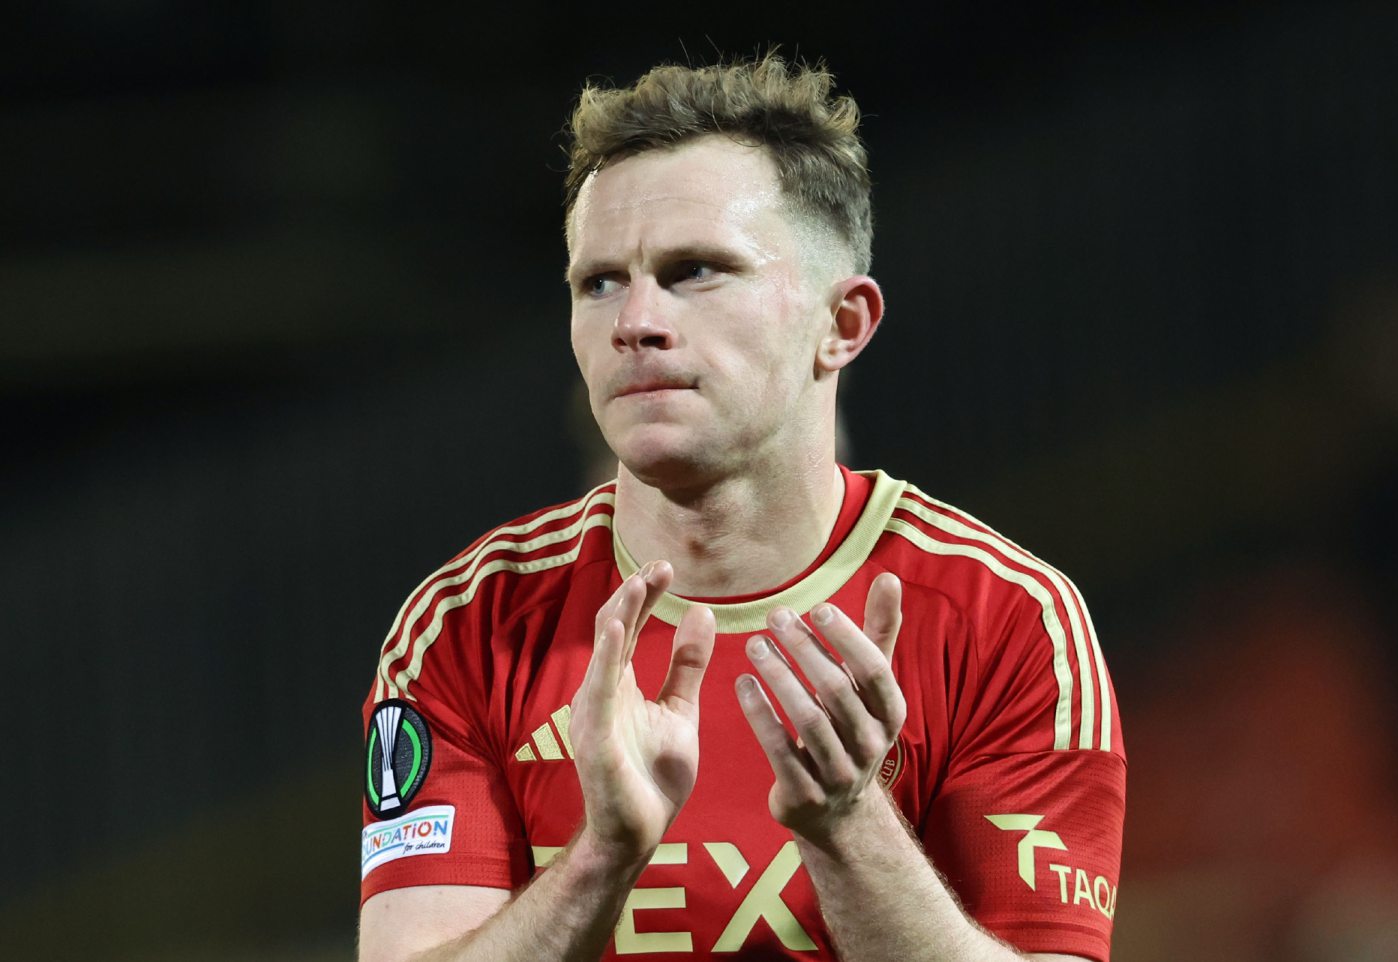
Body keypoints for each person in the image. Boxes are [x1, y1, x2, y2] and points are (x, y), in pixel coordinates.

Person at [357, 54, 1124, 962]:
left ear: (843, 325)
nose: (634, 320)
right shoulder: (467, 627)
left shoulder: (1009, 621)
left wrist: (848, 824)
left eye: (694, 271)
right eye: (598, 281)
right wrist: (602, 857)